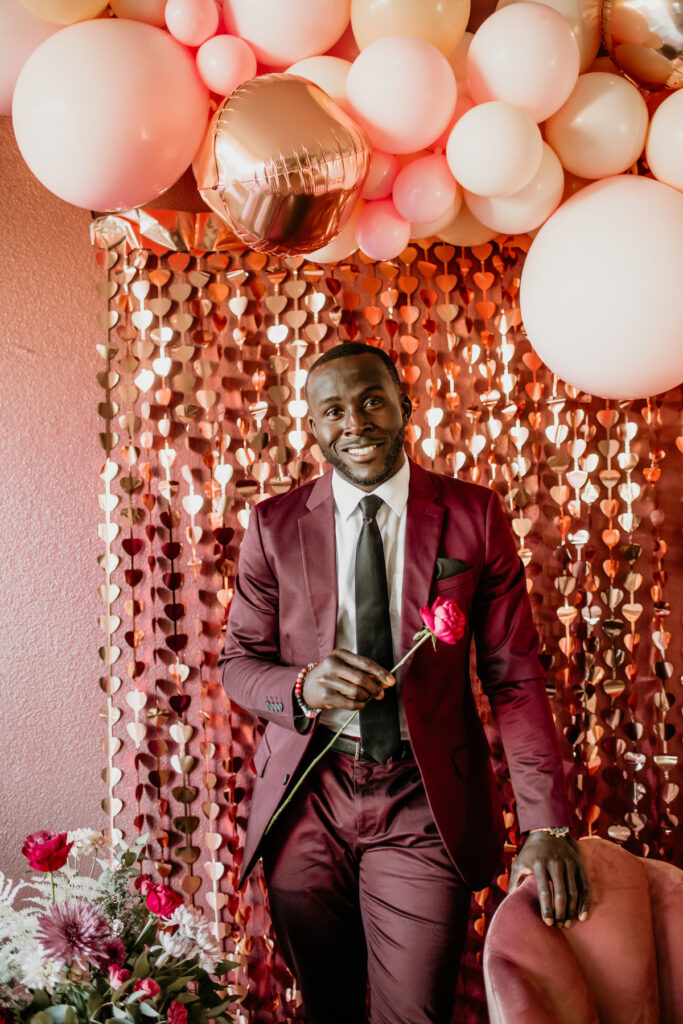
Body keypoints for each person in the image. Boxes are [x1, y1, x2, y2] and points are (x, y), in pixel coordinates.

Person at [219, 342, 590, 1024]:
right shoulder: (272, 527)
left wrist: (547, 826)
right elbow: (237, 665)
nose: (353, 421)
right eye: (332, 410)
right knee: (324, 1007)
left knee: (414, 1012)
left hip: (421, 801)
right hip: (309, 797)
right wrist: (304, 686)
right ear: (312, 426)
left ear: (403, 405)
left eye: (370, 400)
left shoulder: (474, 516)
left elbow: (513, 679)